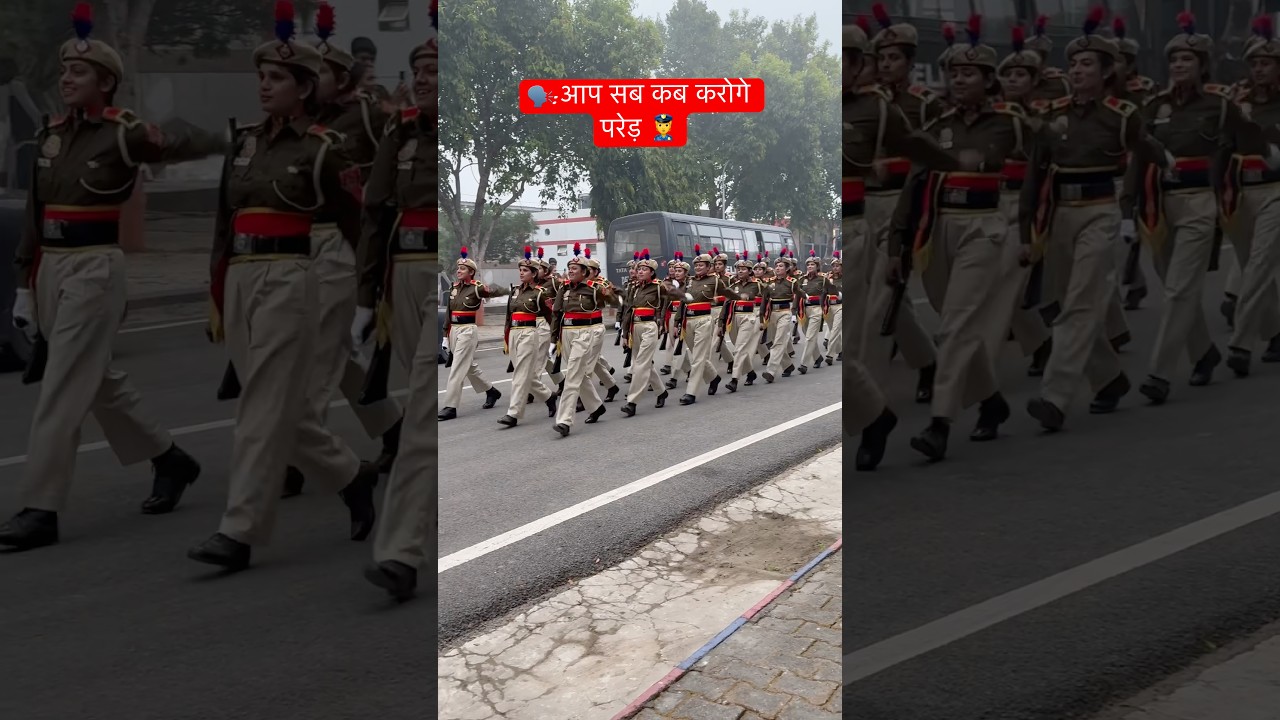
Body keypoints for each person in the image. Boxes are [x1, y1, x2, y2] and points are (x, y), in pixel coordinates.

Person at [0, 3, 220, 552]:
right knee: (96, 381)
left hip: (95, 267)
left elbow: (177, 143)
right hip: (51, 267)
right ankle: (172, 460)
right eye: (65, 71)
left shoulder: (124, 134)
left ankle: (39, 507)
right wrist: (25, 285)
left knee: (61, 388)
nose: (67, 79)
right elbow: (33, 212)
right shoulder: (51, 137)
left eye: (79, 73)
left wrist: (230, 139)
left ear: (106, 82)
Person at [188, 1, 378, 571]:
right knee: (277, 408)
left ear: (302, 88)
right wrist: (217, 290)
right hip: (243, 277)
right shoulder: (243, 141)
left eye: (275, 79)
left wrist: (368, 295)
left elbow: (355, 222)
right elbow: (225, 223)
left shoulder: (323, 148)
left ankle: (239, 531)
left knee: (258, 408)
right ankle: (351, 478)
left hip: (291, 276)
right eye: (261, 78)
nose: (264, 87)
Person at [1021, 7, 1170, 431]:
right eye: (1073, 63)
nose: (1078, 69)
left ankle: (1056, 396)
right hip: (1059, 215)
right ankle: (1109, 379)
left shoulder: (1121, 114)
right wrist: (1026, 227)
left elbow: (1145, 146)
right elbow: (1035, 174)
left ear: (1107, 71)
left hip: (1101, 212)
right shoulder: (1053, 114)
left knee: (1082, 304)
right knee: (1057, 305)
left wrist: (1164, 164)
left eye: (1088, 63)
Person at [281, 1, 402, 500]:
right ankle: (392, 431)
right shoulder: (296, 123)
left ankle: (293, 453)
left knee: (312, 358)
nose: (312, 82)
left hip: (344, 244)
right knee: (339, 360)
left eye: (321, 73)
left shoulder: (367, 113)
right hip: (299, 246)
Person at [888, 15, 1022, 460]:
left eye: (970, 73)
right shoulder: (940, 121)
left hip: (985, 227)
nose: (960, 80)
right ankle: (992, 403)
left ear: (988, 80)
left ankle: (940, 424)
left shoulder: (1010, 123)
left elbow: (1046, 165)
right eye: (955, 73)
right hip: (938, 229)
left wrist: (1034, 223)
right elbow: (915, 182)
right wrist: (899, 242)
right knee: (958, 327)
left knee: (955, 326)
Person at [1131, 12, 1258, 405]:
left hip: (1202, 202)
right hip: (1159, 204)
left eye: (1187, 60)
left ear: (1203, 65)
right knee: (1173, 283)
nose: (1179, 66)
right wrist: (1127, 207)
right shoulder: (1153, 106)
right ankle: (1203, 352)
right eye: (1174, 60)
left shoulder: (1220, 106)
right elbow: (1139, 155)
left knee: (1179, 289)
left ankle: (1159, 373)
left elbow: (1249, 141)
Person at [358, 18, 439, 601]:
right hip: (403, 273)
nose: (423, 80)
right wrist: (366, 299)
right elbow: (376, 211)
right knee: (419, 404)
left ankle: (400, 550)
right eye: (418, 72)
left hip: (439, 277)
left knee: (422, 413)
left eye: (434, 71)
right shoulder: (400, 131)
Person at [843, 20, 898, 471]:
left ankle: (876, 415)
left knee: (848, 345)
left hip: (862, 229)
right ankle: (876, 416)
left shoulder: (878, 111)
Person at [1223, 15, 1280, 376]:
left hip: (1277, 186)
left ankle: (1240, 343)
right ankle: (1276, 332)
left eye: (1267, 64)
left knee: (1259, 266)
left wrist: (1249, 124)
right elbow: (1221, 147)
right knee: (1249, 265)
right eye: (1254, 63)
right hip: (1240, 190)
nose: (1259, 70)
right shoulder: (1235, 99)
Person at [550, 244, 615, 436]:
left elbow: (612, 300)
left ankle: (564, 420)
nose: (570, 271)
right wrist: (554, 340)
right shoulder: (564, 288)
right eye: (569, 268)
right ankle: (596, 407)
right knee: (579, 374)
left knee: (572, 375)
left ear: (585, 272)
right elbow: (556, 312)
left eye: (575, 269)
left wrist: (609, 293)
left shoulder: (594, 288)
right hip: (567, 333)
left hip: (586, 332)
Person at [438, 247, 507, 420]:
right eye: (458, 268)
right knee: (468, 366)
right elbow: (448, 312)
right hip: (454, 330)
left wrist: (513, 290)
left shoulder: (477, 288)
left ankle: (450, 406)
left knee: (457, 368)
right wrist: (445, 335)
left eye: (463, 269)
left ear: (471, 272)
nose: (459, 271)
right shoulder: (454, 288)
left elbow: (495, 291)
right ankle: (492, 391)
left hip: (468, 331)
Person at [497, 247, 555, 427]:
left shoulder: (540, 293)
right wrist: (506, 337)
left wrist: (554, 339)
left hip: (530, 333)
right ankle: (548, 396)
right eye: (520, 270)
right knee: (523, 373)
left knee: (520, 375)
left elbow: (549, 316)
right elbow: (508, 316)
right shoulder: (514, 291)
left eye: (525, 271)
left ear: (534, 273)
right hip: (514, 333)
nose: (521, 273)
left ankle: (513, 413)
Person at [619, 249, 672, 415]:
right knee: (645, 364)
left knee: (640, 364)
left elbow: (665, 305)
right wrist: (625, 333)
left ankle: (632, 402)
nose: (640, 271)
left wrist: (662, 321)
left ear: (652, 272)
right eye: (639, 269)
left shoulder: (659, 287)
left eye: (644, 269)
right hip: (635, 328)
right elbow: (628, 310)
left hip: (650, 327)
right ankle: (661, 391)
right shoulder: (634, 288)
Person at [676, 244, 731, 404]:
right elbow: (682, 302)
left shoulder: (716, 280)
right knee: (696, 355)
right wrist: (677, 321)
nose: (698, 268)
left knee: (698, 358)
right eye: (696, 265)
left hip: (704, 320)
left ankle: (691, 392)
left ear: (709, 267)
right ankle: (713, 377)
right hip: (689, 321)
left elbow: (728, 296)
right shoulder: (689, 281)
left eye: (702, 265)